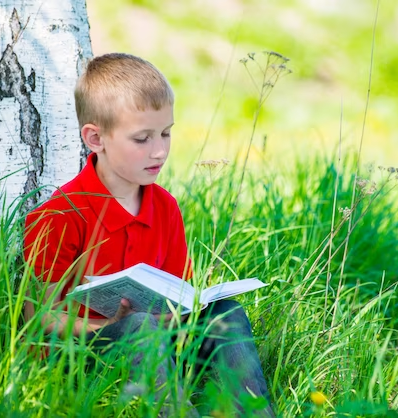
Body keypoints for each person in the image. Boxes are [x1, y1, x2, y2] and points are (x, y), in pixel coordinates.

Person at [23, 53, 273, 417]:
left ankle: (252, 413)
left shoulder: (165, 207)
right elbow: (39, 316)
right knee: (138, 326)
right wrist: (108, 325)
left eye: (166, 133)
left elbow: (177, 296)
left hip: (156, 344)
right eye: (142, 138)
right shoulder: (62, 213)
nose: (160, 150)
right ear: (96, 138)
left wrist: (180, 314)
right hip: (79, 356)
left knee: (225, 312)